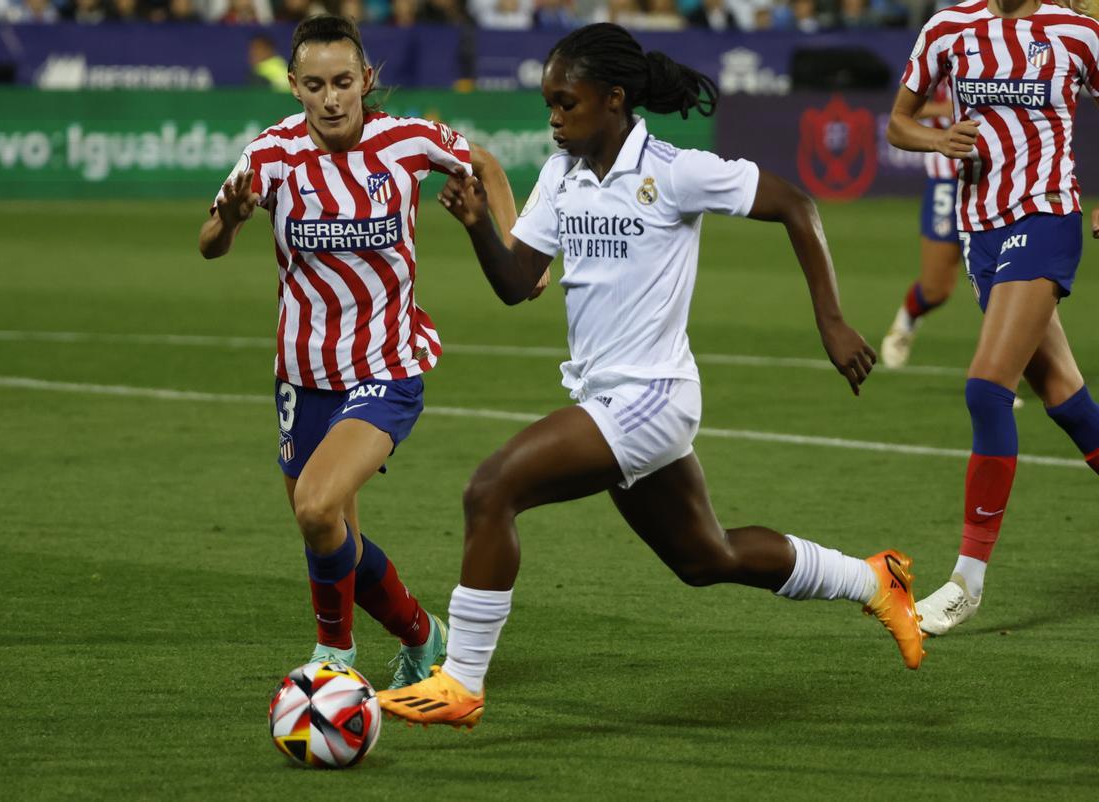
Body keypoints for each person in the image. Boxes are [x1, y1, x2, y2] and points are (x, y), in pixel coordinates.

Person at [378, 22, 926, 730]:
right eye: (548, 103)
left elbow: (796, 203)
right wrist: (482, 226)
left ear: (613, 100)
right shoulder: (559, 177)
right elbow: (518, 283)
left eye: (565, 103)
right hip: (608, 401)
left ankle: (462, 681)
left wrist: (830, 319)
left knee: (492, 489)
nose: (552, 118)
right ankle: (876, 578)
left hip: (653, 399)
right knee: (706, 557)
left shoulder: (673, 170)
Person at [198, 15, 531, 688]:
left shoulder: (406, 141)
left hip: (387, 364)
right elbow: (209, 240)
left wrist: (518, 244)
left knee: (317, 509)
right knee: (329, 533)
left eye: (343, 82)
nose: (330, 98)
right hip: (302, 373)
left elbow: (486, 163)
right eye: (315, 84)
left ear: (366, 80)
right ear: (294, 85)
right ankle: (420, 633)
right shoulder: (270, 154)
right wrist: (229, 220)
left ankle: (333, 657)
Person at [887, 0, 1099, 635]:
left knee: (986, 389)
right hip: (981, 231)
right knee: (1065, 396)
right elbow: (898, 123)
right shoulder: (949, 27)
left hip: (1047, 218)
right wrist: (935, 137)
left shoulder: (1076, 31)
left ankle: (966, 583)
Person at [880, 76, 960, 369]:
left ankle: (1004, 378)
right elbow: (902, 113)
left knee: (1009, 282)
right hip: (947, 182)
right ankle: (906, 322)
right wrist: (944, 109)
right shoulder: (940, 48)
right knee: (935, 289)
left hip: (1001, 180)